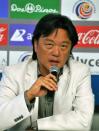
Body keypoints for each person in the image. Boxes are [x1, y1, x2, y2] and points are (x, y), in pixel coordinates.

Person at [0, 13, 94, 131]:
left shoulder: (80, 72)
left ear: (70, 49)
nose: (56, 53)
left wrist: (37, 126)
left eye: (63, 46)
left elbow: (84, 121)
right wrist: (28, 95)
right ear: (35, 45)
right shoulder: (13, 73)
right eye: (49, 44)